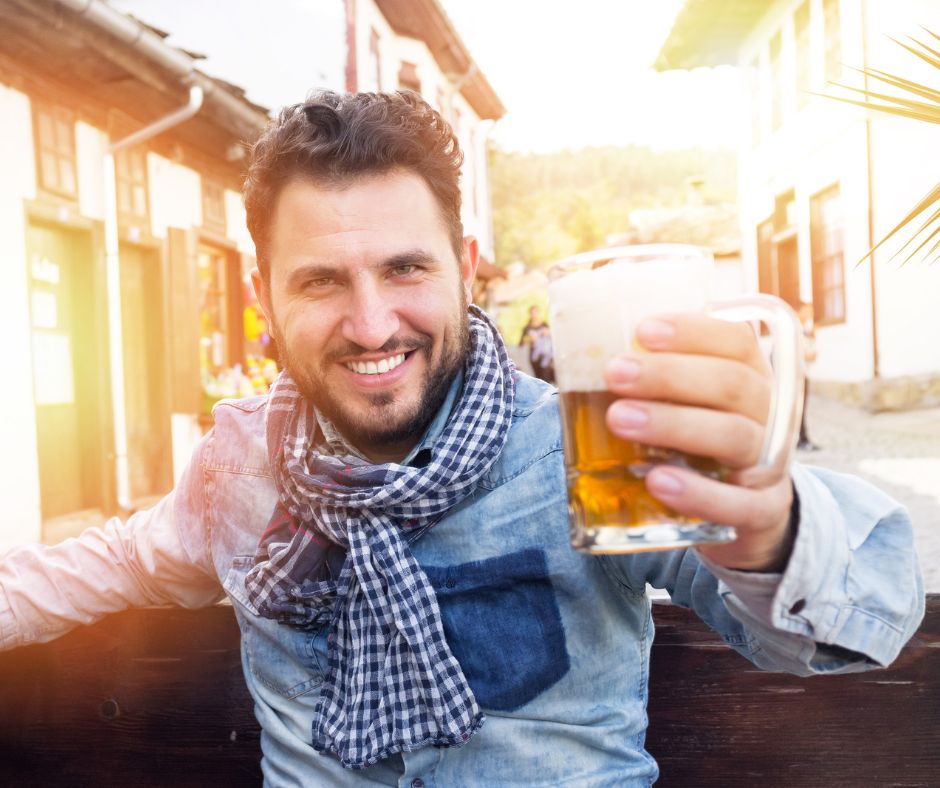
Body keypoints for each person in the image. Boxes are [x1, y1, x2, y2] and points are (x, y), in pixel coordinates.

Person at [0, 91, 923, 786]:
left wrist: (770, 526)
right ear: (262, 297)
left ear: (466, 268)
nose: (371, 325)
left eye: (405, 269)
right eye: (322, 282)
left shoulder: (584, 451)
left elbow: (849, 623)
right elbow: (101, 562)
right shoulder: (237, 469)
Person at [797, 301, 820, 451]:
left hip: (803, 373)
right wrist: (807, 355)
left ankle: (801, 439)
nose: (810, 315)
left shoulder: (805, 331)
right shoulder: (793, 329)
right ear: (799, 311)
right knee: (798, 409)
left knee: (801, 408)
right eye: (807, 311)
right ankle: (801, 440)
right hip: (796, 375)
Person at [519, 304, 555, 383]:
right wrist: (529, 339)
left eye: (536, 312)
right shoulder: (527, 327)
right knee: (538, 379)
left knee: (546, 377)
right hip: (534, 358)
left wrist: (548, 333)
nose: (534, 315)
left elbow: (553, 339)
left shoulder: (545, 325)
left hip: (546, 356)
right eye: (532, 313)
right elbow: (521, 343)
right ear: (530, 314)